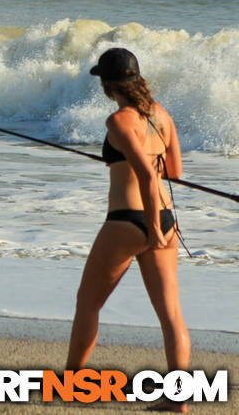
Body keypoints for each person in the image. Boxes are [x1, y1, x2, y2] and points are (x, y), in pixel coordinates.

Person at [66, 47, 189, 412]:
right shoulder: (161, 115)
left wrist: (149, 226)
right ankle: (178, 399)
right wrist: (158, 226)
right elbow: (175, 172)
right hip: (167, 222)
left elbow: (148, 175)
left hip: (128, 222)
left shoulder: (119, 121)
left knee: (88, 304)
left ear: (107, 84)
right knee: (171, 316)